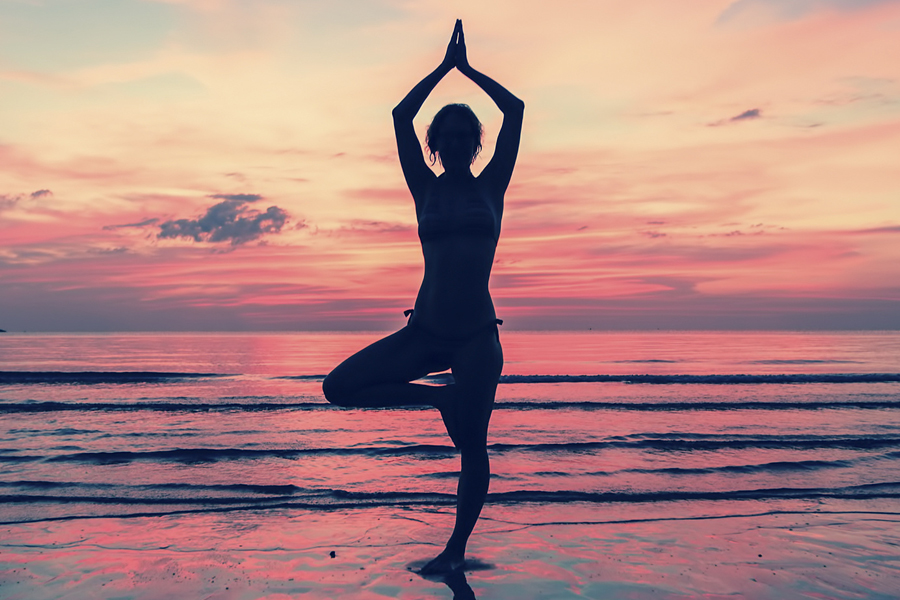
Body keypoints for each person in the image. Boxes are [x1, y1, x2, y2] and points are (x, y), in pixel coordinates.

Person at [322, 19, 524, 575]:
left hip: (477, 337)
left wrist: (470, 71)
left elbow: (517, 111)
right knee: (337, 386)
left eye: (466, 134)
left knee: (474, 447)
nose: (457, 142)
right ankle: (439, 399)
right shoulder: (425, 187)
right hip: (426, 330)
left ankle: (455, 551)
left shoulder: (492, 186)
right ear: (435, 145)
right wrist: (441, 70)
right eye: (448, 135)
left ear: (475, 143)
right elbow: (398, 117)